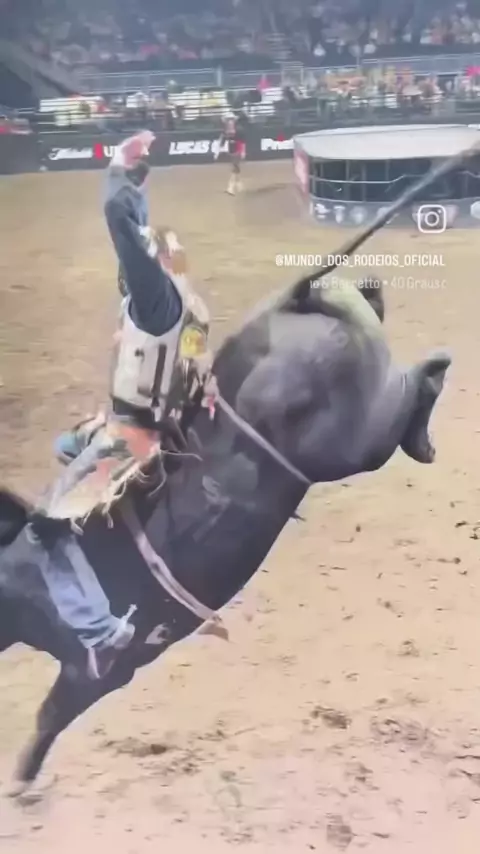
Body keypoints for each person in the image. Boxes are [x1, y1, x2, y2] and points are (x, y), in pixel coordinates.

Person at [28, 132, 212, 681]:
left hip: (130, 438)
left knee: (44, 525)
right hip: (149, 421)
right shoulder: (186, 305)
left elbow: (118, 217)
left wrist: (119, 168)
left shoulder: (154, 303)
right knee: (66, 444)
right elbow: (192, 362)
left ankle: (101, 631)